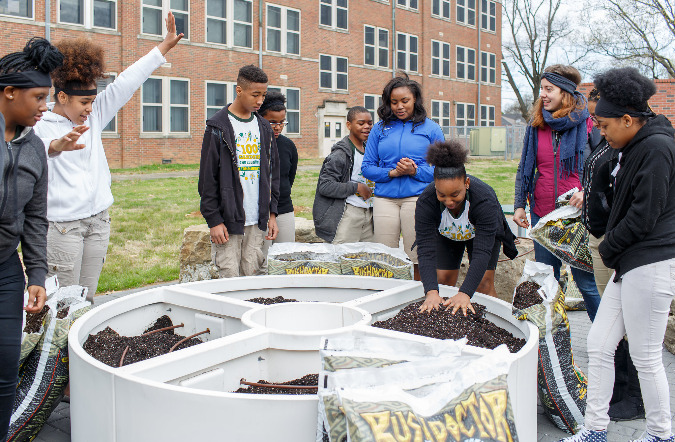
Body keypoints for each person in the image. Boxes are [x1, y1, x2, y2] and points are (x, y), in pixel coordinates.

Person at [559, 68, 675, 442]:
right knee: (598, 344)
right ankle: (595, 428)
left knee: (645, 357)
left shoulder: (657, 148)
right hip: (632, 263)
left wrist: (607, 248)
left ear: (628, 119)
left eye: (606, 125)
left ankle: (660, 433)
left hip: (652, 263)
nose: (602, 133)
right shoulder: (635, 145)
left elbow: (644, 216)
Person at [34, 12, 183, 301]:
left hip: (98, 222)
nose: (91, 108)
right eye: (84, 102)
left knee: (86, 299)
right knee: (61, 303)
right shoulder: (40, 124)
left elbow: (127, 81)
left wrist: (163, 47)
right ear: (62, 97)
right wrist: (54, 147)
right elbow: (31, 154)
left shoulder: (96, 114)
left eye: (93, 101)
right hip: (63, 228)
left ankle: (74, 347)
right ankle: (55, 348)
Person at [0, 37, 64, 442]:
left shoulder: (35, 148)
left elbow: (36, 217)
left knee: (6, 365)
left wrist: (36, 274)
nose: (45, 107)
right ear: (8, 92)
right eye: (39, 97)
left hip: (6, 271)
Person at [570, 88, 643, 421]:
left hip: (614, 245)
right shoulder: (604, 144)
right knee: (614, 327)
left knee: (624, 326)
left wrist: (610, 243)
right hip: (604, 239)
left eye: (601, 119)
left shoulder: (624, 147)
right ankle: (620, 389)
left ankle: (633, 395)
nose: (597, 125)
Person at [512, 64, 601, 322]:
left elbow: (604, 164)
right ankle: (550, 347)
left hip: (576, 217)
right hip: (543, 215)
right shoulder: (536, 124)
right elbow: (525, 166)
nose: (544, 94)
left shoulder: (588, 124)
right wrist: (519, 205)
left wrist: (588, 191)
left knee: (587, 284)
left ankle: (612, 347)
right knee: (545, 285)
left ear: (566, 92)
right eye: (542, 89)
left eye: (549, 89)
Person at [416, 141, 518, 316]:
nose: (449, 201)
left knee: (484, 284)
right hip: (448, 234)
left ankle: (495, 323)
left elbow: (482, 252)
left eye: (455, 194)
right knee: (443, 281)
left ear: (467, 183)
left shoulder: (484, 199)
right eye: (442, 195)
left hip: (480, 235)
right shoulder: (426, 201)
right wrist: (431, 292)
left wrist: (464, 293)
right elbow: (425, 250)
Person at [198, 65, 280, 278]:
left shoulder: (263, 127)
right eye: (255, 94)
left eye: (263, 95)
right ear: (239, 90)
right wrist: (214, 220)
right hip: (228, 222)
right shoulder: (217, 127)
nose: (260, 101)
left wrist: (271, 214)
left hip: (257, 220)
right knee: (228, 280)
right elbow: (207, 179)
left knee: (253, 279)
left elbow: (273, 174)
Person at [362, 75, 444, 278]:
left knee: (418, 254)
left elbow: (444, 169)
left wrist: (415, 171)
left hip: (418, 198)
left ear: (415, 99)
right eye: (394, 102)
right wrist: (391, 173)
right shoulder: (379, 129)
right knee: (384, 256)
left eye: (404, 101)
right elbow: (367, 168)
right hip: (384, 200)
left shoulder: (431, 128)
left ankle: (420, 296)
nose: (399, 106)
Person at [313, 106, 374, 243]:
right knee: (343, 259)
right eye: (361, 123)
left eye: (370, 123)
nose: (367, 126)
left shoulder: (371, 150)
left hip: (369, 215)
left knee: (365, 260)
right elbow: (325, 186)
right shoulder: (340, 154)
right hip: (348, 213)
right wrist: (356, 187)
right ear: (349, 125)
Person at [259, 91, 298, 243]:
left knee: (287, 258)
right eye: (272, 122)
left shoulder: (288, 146)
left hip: (284, 209)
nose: (278, 127)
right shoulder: (253, 145)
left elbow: (289, 178)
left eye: (282, 122)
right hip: (260, 213)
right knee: (262, 261)